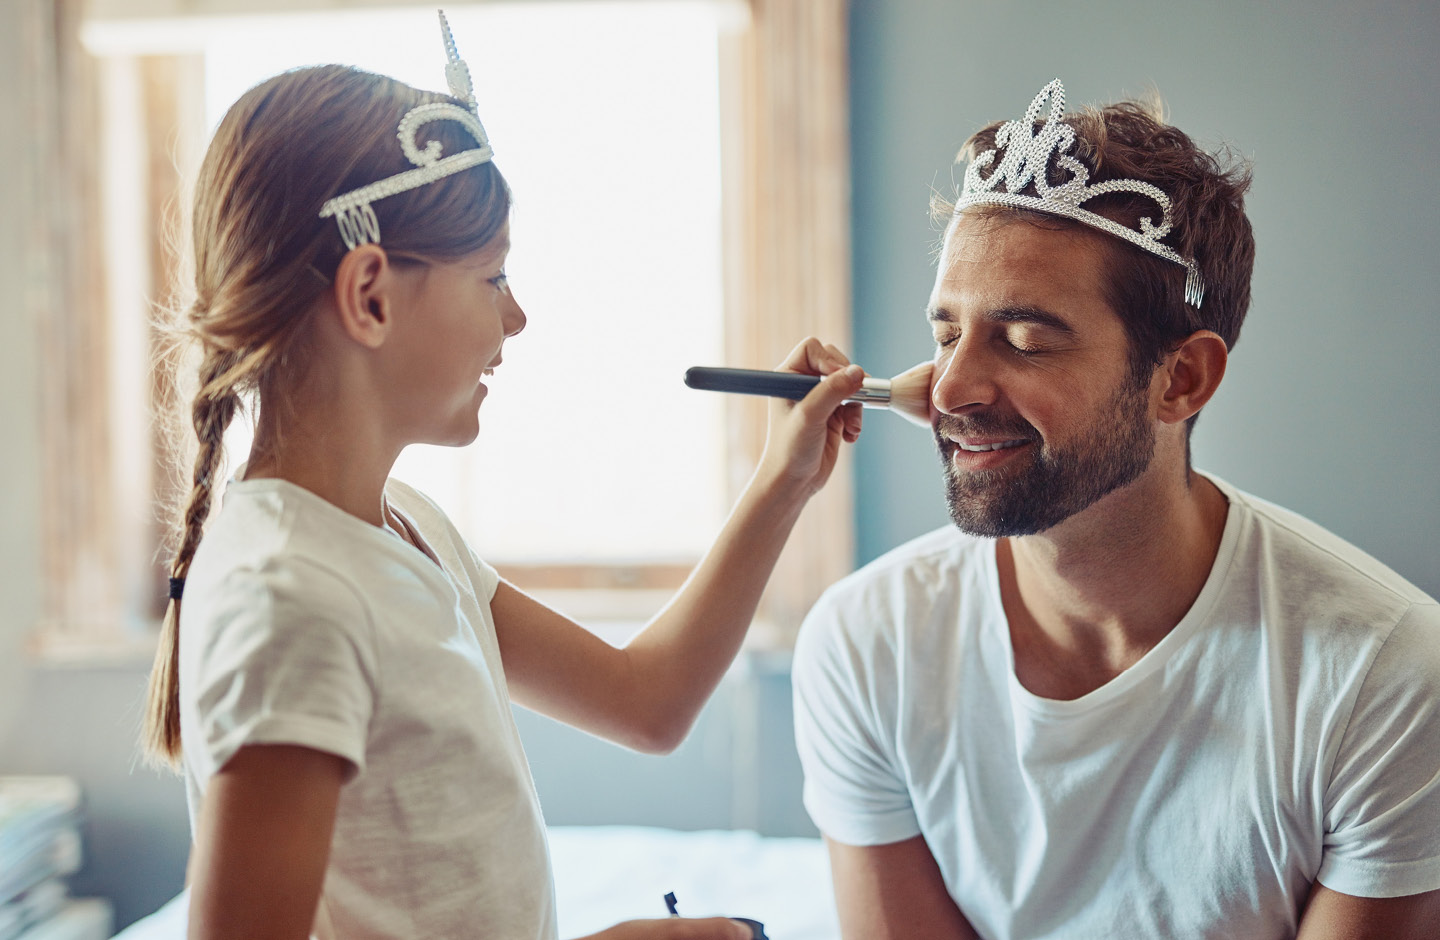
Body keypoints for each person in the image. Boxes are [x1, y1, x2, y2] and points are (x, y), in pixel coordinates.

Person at [139, 14, 867, 940]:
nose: (516, 318)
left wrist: (785, 477)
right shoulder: (290, 600)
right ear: (371, 295)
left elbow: (649, 701)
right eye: (492, 278)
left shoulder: (400, 525)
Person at [792, 79, 1440, 940]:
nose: (948, 390)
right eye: (947, 333)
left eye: (1024, 341)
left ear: (1182, 379)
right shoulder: (864, 644)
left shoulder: (1383, 677)